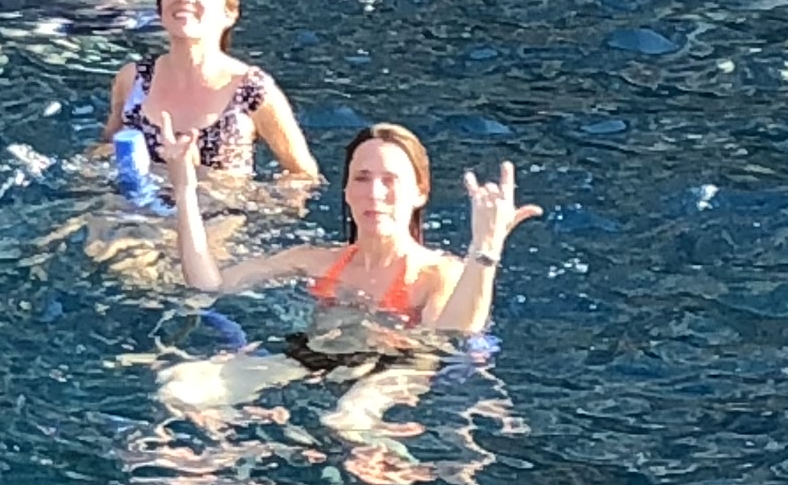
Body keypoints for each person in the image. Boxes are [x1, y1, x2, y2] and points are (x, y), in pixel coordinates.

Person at [162, 122, 533, 342]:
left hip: (391, 378)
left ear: (420, 192)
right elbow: (208, 285)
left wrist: (485, 250)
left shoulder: (439, 275)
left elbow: (451, 340)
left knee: (351, 419)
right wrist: (184, 187)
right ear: (346, 190)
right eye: (362, 178)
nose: (374, 193)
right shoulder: (312, 261)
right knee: (185, 387)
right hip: (311, 363)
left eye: (390, 180)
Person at [96, 0, 320, 188]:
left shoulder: (253, 91)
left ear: (229, 14)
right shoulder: (132, 80)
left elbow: (304, 175)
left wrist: (207, 181)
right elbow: (108, 146)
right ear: (160, 12)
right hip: (133, 213)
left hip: (217, 217)